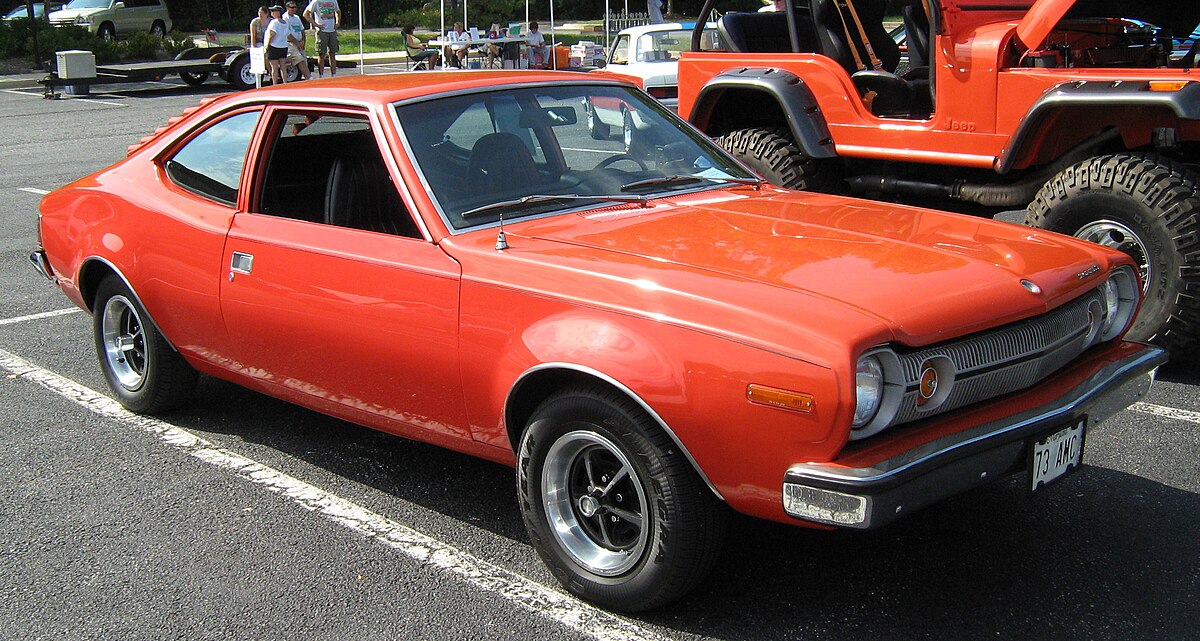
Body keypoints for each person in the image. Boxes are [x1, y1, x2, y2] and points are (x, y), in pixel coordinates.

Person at [303, 0, 340, 77]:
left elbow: (338, 12)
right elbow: (306, 14)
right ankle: (321, 75)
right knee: (322, 54)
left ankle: (334, 75)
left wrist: (337, 22)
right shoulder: (316, 1)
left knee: (332, 53)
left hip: (332, 30)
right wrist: (315, 24)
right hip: (322, 31)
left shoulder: (333, 1)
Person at [283, 1, 311, 80]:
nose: (294, 9)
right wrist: (297, 43)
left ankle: (306, 78)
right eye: (292, 7)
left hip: (300, 43)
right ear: (287, 8)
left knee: (304, 60)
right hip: (290, 44)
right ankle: (309, 78)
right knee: (299, 59)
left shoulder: (297, 17)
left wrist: (303, 43)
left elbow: (302, 31)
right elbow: (288, 34)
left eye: (295, 7)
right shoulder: (285, 18)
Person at [264, 5, 290, 84]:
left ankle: (275, 83)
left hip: (274, 46)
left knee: (274, 67)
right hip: (284, 46)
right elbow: (288, 34)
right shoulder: (286, 22)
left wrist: (267, 46)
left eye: (273, 11)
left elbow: (272, 34)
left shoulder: (274, 22)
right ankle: (285, 82)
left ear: (278, 12)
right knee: (283, 66)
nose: (271, 13)